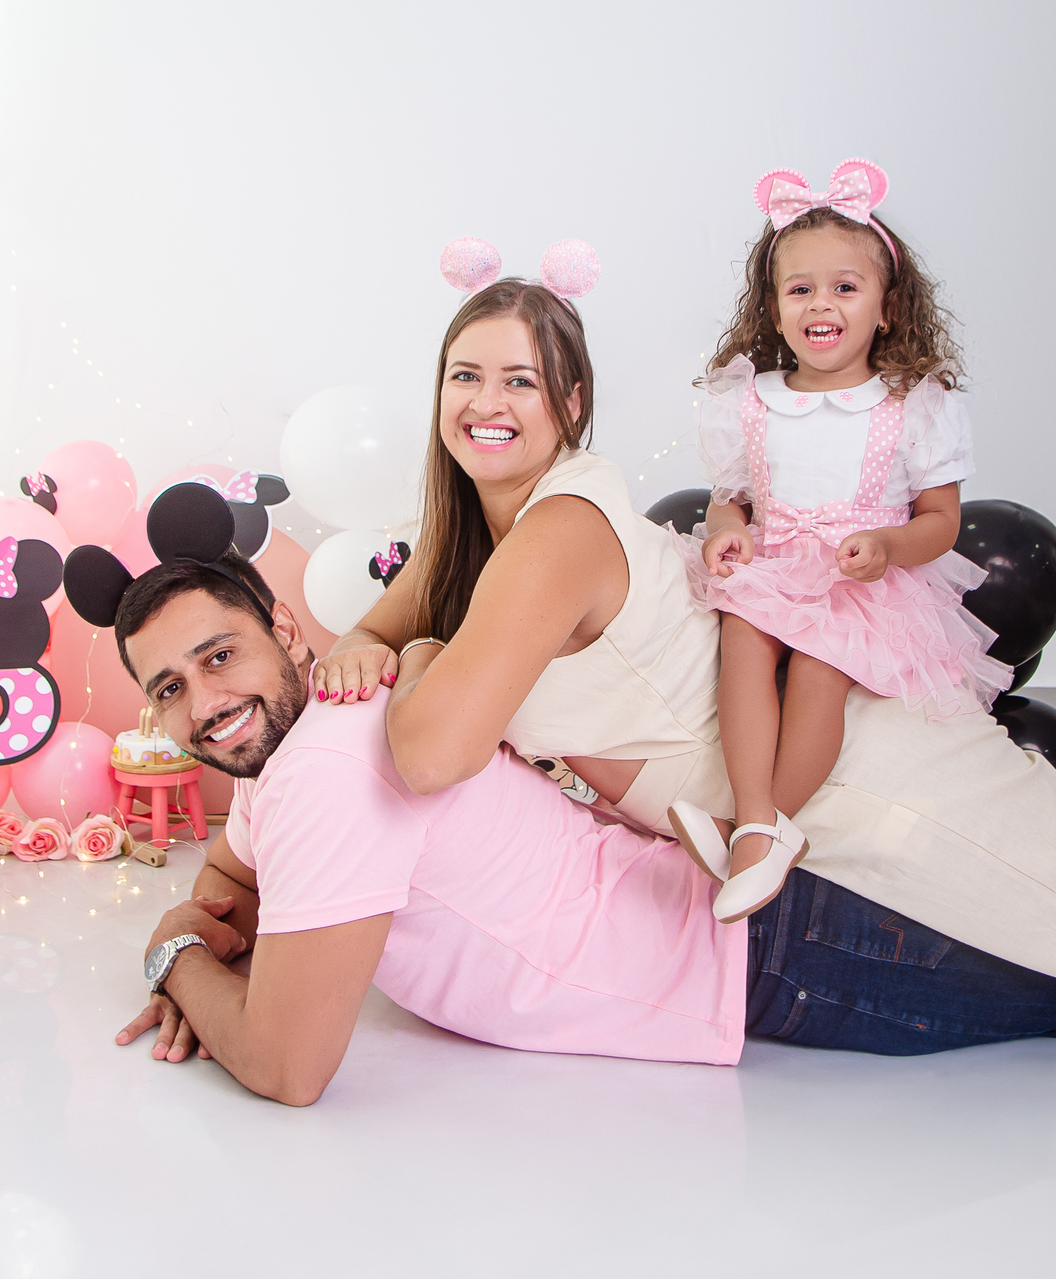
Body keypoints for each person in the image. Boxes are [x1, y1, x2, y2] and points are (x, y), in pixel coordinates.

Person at [310, 242, 1056, 979]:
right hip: (762, 844)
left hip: (872, 800)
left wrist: (422, 652)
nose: (486, 404)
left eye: (521, 381)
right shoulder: (472, 532)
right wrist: (360, 644)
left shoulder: (559, 531)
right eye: (465, 375)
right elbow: (375, 626)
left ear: (572, 403)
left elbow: (432, 757)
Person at [95, 538, 1056, 1107]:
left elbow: (287, 1066)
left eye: (220, 656)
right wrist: (217, 955)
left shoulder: (322, 772)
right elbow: (233, 878)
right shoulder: (288, 752)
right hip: (741, 920)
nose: (206, 703)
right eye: (169, 688)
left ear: (283, 631)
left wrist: (175, 954)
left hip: (773, 952)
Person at [669, 162, 1010, 923]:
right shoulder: (750, 401)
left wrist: (887, 545)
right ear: (774, 309)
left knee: (822, 664)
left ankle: (758, 830)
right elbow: (730, 501)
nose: (821, 303)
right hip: (775, 562)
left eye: (845, 287)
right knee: (743, 638)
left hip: (862, 576)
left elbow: (941, 520)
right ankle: (755, 820)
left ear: (887, 308)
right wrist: (728, 534)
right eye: (800, 289)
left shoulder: (911, 404)